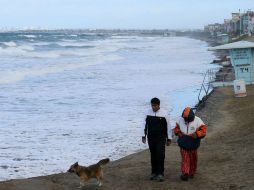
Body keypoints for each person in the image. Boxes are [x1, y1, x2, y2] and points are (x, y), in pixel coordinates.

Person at [141, 97, 172, 182]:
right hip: (151, 137)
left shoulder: (164, 113)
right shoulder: (147, 113)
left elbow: (168, 126)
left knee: (160, 155)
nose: (153, 107)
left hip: (161, 137)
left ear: (159, 105)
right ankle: (154, 172)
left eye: (155, 106)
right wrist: (143, 136)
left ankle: (160, 173)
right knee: (153, 155)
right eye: (152, 105)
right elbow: (144, 125)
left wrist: (169, 138)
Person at [174, 107, 207, 181]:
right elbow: (176, 128)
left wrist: (197, 134)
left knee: (193, 159)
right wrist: (178, 132)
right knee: (185, 158)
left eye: (187, 119)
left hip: (193, 144)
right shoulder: (180, 120)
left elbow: (204, 130)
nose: (185, 120)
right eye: (185, 119)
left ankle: (191, 172)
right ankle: (185, 173)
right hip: (183, 143)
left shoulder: (198, 120)